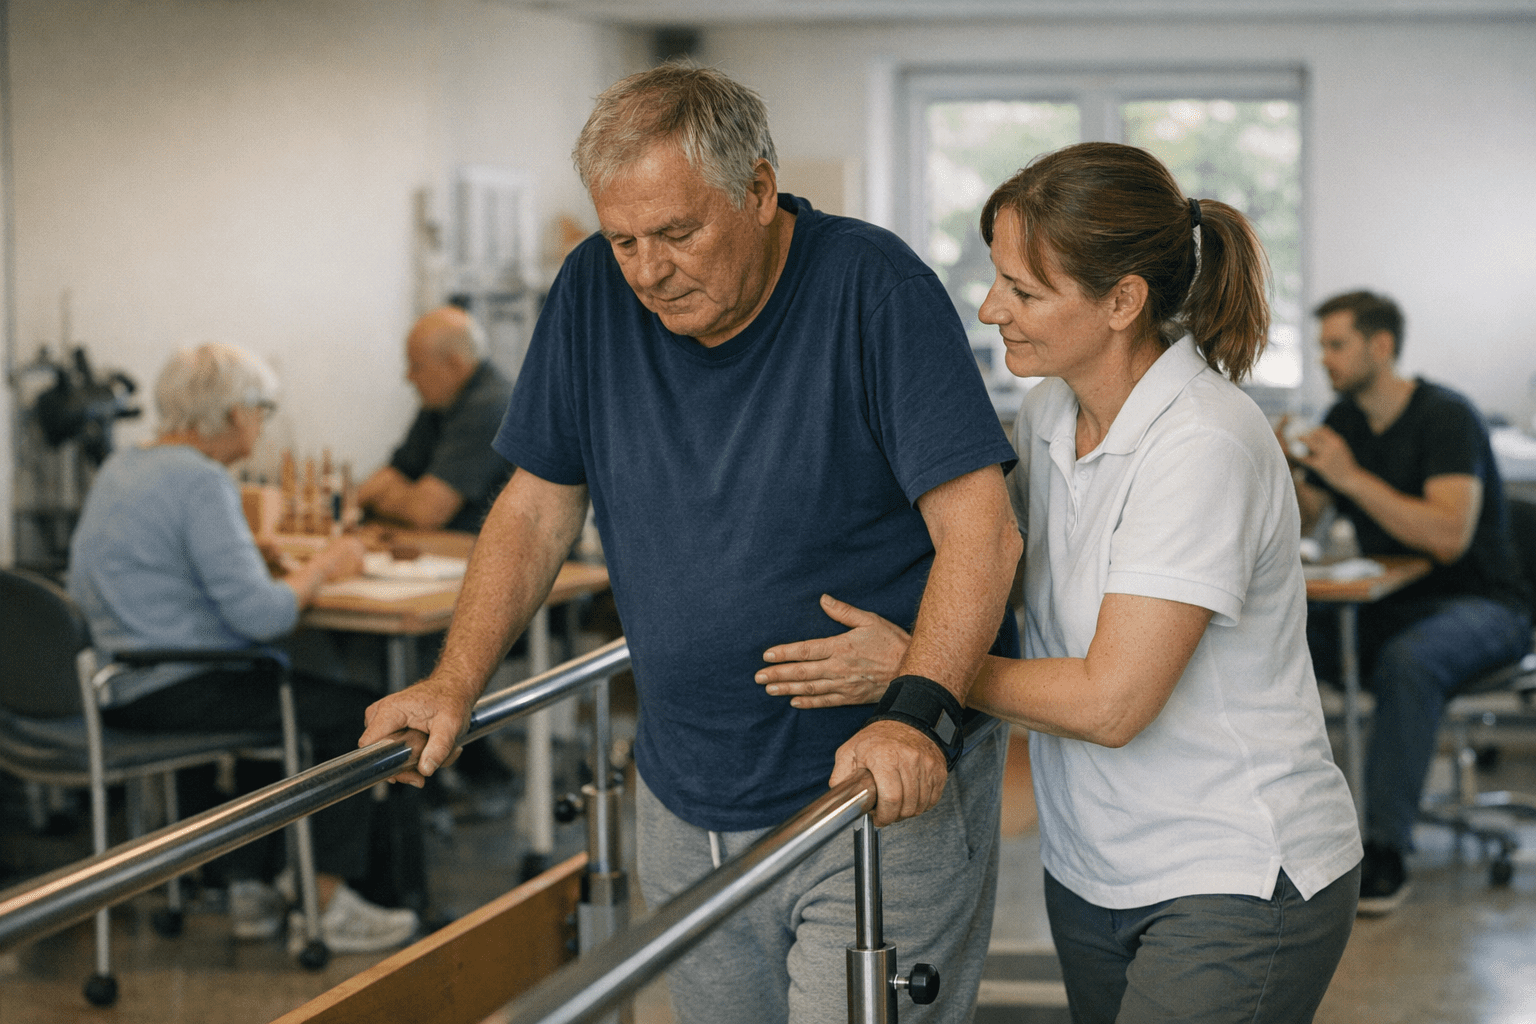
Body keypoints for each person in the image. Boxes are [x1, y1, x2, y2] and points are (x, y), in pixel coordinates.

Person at [358, 63, 1021, 1024]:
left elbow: (983, 533)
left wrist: (915, 716)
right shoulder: (593, 291)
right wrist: (453, 682)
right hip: (682, 790)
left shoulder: (872, 288)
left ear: (757, 190)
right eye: (625, 238)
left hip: (867, 785)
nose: (649, 269)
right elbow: (535, 507)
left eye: (677, 232)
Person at [758, 142, 1363, 1023]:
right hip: (1094, 867)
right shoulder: (1051, 412)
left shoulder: (1203, 444)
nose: (990, 306)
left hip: (1233, 871)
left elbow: (1113, 701)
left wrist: (915, 671)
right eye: (997, 277)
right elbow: (982, 558)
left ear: (1124, 301)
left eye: (1024, 290)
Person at [68, 342, 420, 953]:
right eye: (261, 409)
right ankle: (326, 902)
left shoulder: (122, 467)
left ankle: (251, 890)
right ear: (233, 415)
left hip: (116, 680)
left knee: (281, 698)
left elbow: (119, 578)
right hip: (178, 684)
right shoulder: (201, 480)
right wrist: (324, 568)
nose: (262, 422)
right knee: (354, 714)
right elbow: (263, 617)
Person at [1288, 290, 1532, 916]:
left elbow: (1449, 537)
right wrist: (1282, 467)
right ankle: (1290, 834)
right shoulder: (1343, 421)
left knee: (1410, 663)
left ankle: (1386, 850)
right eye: (1321, 347)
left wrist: (1348, 477)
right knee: (1276, 634)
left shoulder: (1447, 416)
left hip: (1484, 606)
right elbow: (1301, 519)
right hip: (1388, 605)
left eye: (1336, 345)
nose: (1326, 360)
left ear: (1381, 346)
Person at [357, 305, 514, 532]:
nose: (408, 377)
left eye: (417, 366)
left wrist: (383, 498)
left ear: (455, 364)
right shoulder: (442, 399)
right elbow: (394, 474)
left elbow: (426, 512)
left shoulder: (492, 408)